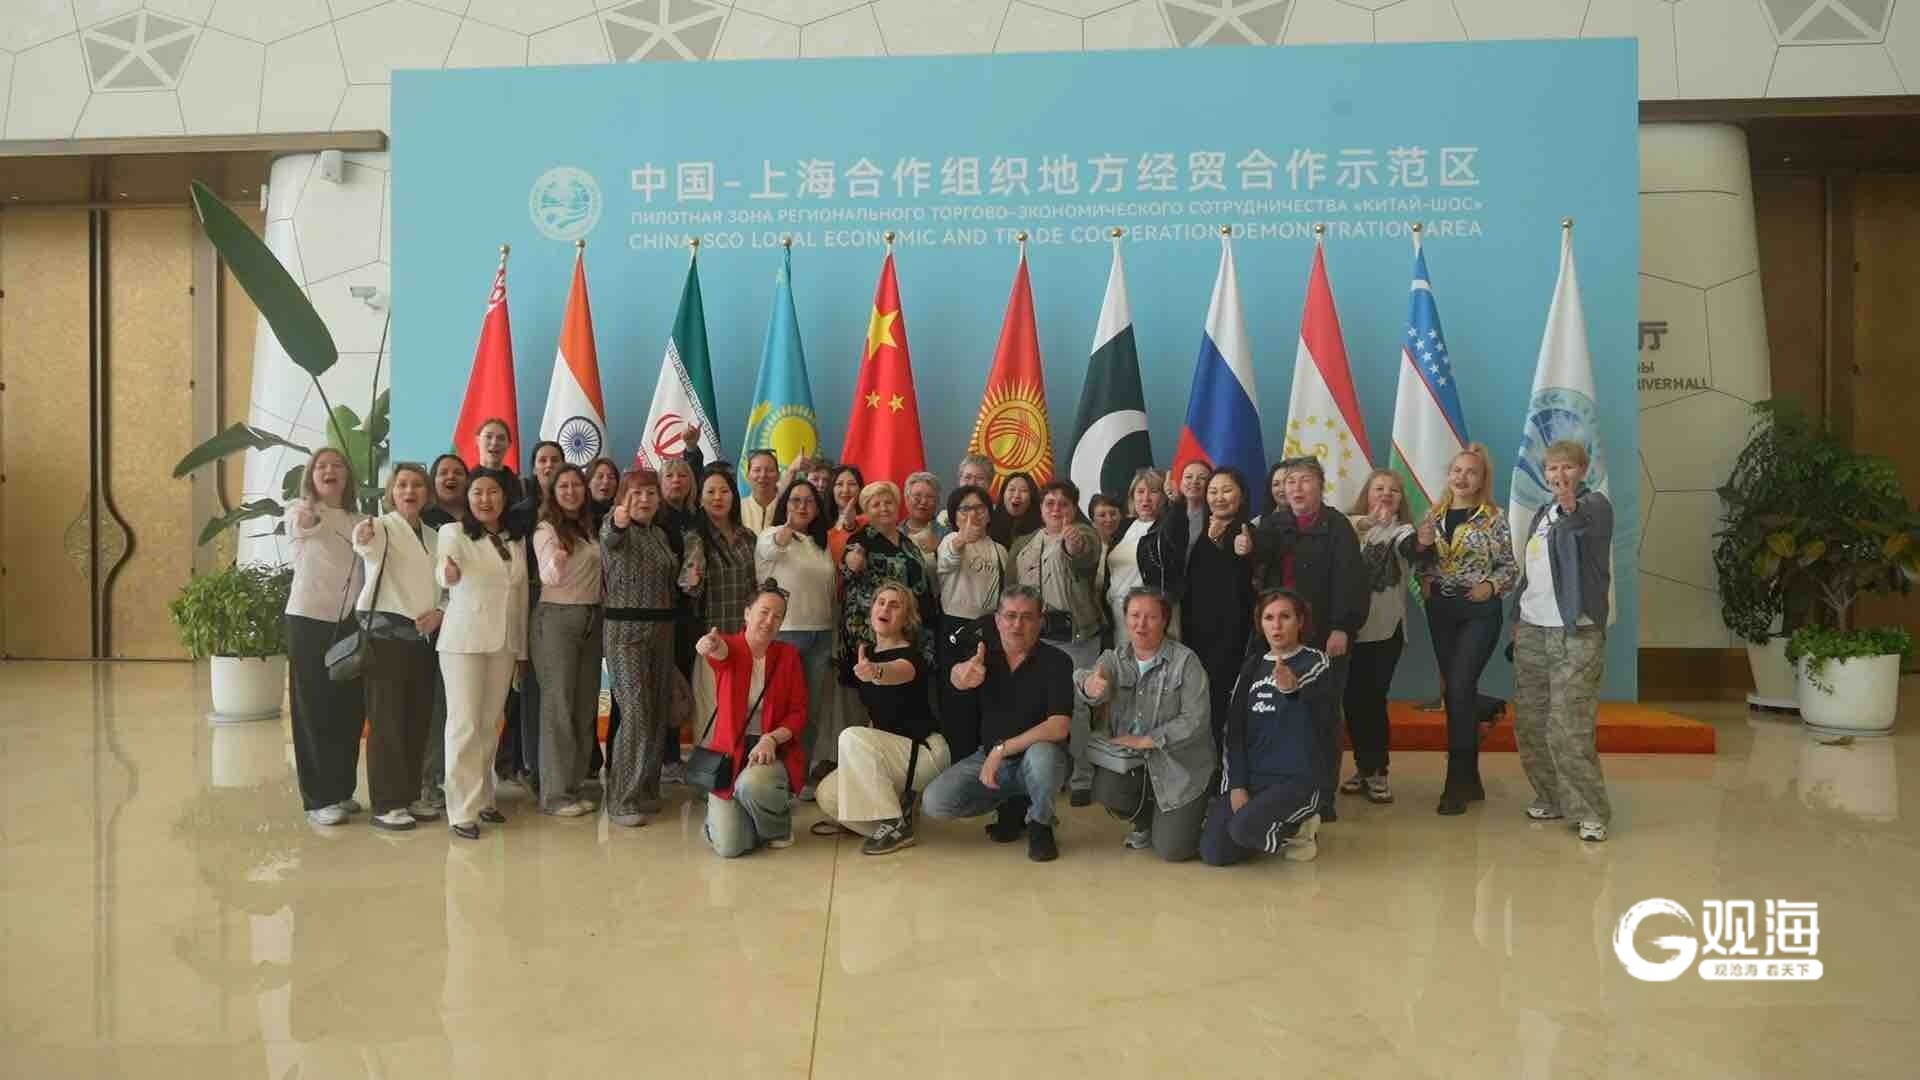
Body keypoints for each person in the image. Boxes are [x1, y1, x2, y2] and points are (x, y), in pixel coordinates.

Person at [1248, 456, 1368, 822]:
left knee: (1321, 715)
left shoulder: (1337, 527)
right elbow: (1257, 567)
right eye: (1290, 482)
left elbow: (1351, 582)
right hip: (1279, 638)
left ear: (1320, 486)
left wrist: (1343, 627)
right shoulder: (1274, 524)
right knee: (1279, 712)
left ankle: (1323, 795)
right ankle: (1282, 788)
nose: (1296, 488)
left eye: (1304, 481)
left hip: (1324, 636)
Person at [921, 586, 1074, 862]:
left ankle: (1041, 824)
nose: (1017, 625)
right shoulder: (983, 655)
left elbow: (1058, 727)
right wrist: (959, 676)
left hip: (1037, 757)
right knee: (935, 802)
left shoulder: (1058, 661)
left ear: (1040, 621)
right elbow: (959, 674)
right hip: (992, 758)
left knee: (1043, 757)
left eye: (1027, 617)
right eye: (1010, 616)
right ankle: (1011, 802)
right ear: (997, 620)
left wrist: (1001, 749)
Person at [1511, 440, 1614, 842]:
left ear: (1582, 471)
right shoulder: (1542, 513)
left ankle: (1590, 811)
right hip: (1533, 627)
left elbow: (1579, 527)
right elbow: (1530, 572)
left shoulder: (1595, 506)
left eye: (1567, 467)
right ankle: (1551, 796)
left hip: (1576, 630)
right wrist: (1517, 618)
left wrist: (1570, 506)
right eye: (1552, 468)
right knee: (1531, 720)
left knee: (1569, 725)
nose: (1559, 475)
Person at [1412, 443, 1519, 816]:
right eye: (1457, 470)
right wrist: (1424, 574)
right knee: (1456, 691)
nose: (1462, 477)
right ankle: (1471, 777)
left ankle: (1455, 783)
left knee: (1458, 688)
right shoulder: (1433, 515)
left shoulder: (1494, 518)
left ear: (1481, 479)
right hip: (1441, 611)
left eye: (1470, 472)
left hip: (1479, 610)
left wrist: (1491, 586)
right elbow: (1421, 559)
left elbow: (1509, 566)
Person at [1074, 587, 1213, 862]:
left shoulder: (1186, 661)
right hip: (1135, 764)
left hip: (1180, 769)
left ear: (1165, 620)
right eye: (1135, 615)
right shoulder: (1114, 658)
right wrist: (1090, 685)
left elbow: (1196, 720)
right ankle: (1146, 821)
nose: (1141, 624)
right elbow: (1089, 679)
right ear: (1125, 618)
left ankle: (1200, 811)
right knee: (1106, 788)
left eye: (1151, 617)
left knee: (1173, 851)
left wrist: (1146, 740)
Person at [816, 583, 950, 854]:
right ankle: (893, 823)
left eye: (895, 605)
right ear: (872, 610)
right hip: (891, 755)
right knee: (827, 794)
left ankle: (893, 823)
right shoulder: (867, 655)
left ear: (906, 618)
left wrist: (876, 672)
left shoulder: (911, 657)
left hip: (924, 754)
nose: (885, 608)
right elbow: (876, 720)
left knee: (851, 736)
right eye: (881, 602)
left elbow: (896, 672)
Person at [1201, 589, 1331, 866]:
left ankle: (1299, 828)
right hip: (1255, 779)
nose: (1277, 625)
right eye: (1269, 618)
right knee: (1214, 852)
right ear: (1260, 624)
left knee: (1242, 829)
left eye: (1285, 617)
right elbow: (1234, 732)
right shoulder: (1252, 666)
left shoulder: (1315, 662)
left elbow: (1310, 699)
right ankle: (1264, 827)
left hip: (1297, 780)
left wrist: (1292, 689)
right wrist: (1237, 785)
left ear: (1300, 621)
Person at [351, 463, 445, 831]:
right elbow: (365, 546)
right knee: (387, 721)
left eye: (417, 485)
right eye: (402, 484)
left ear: (427, 493)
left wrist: (440, 613)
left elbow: (446, 586)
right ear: (391, 492)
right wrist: (361, 536)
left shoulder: (435, 536)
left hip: (423, 638)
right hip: (386, 638)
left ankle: (409, 794)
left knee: (417, 719)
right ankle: (386, 803)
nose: (410, 491)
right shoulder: (381, 527)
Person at [436, 471, 528, 840]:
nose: (485, 499)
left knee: (490, 723)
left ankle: (484, 798)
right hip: (464, 642)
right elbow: (445, 570)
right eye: (478, 492)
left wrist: (521, 649)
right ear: (468, 497)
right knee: (465, 725)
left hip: (504, 642)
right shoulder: (453, 533)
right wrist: (447, 573)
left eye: (493, 492)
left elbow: (519, 596)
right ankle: (460, 810)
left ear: (504, 498)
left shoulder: (513, 539)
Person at [600, 468, 692, 826]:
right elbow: (611, 537)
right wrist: (619, 520)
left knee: (656, 714)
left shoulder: (659, 534)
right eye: (636, 493)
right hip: (626, 633)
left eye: (651, 493)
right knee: (636, 713)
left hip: (663, 631)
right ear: (622, 498)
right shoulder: (615, 526)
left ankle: (646, 791)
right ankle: (621, 799)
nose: (645, 499)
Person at [284, 447, 366, 826]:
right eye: (321, 466)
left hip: (350, 622)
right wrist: (308, 511)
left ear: (347, 476)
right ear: (311, 476)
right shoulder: (300, 512)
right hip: (308, 621)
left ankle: (342, 790)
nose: (329, 470)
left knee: (348, 709)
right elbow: (301, 526)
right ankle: (318, 799)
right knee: (313, 709)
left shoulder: (360, 519)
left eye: (337, 465)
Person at [696, 584, 808, 857]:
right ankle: (732, 822)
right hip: (730, 755)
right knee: (730, 848)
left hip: (773, 751)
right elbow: (720, 653)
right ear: (747, 614)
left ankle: (777, 828)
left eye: (777, 616)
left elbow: (798, 712)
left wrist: (771, 738)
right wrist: (710, 645)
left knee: (752, 784)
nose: (769, 621)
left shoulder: (788, 655)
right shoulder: (731, 646)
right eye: (764, 612)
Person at [1010, 479, 1104, 804]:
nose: (1056, 509)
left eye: (1063, 504)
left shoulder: (1084, 535)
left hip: (1077, 638)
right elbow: (1011, 592)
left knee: (1077, 708)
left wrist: (1072, 545)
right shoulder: (1023, 544)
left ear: (1074, 508)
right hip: (1035, 641)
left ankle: (1082, 778)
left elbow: (1083, 555)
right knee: (1038, 709)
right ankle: (1046, 773)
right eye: (1049, 503)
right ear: (1040, 508)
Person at [1341, 468, 1419, 805]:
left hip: (1386, 630)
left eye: (1393, 490)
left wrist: (1423, 541)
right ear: (1367, 494)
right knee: (1351, 702)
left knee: (1373, 700)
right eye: (1379, 488)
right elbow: (1344, 527)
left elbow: (1413, 547)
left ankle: (1378, 771)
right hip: (1348, 630)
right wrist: (1367, 523)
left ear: (1401, 500)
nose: (1386, 494)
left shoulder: (1403, 531)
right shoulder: (1348, 527)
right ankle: (1363, 766)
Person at [530, 463, 604, 818]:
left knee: (584, 707)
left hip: (592, 619)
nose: (571, 491)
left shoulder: (590, 528)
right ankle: (555, 795)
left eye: (576, 485)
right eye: (563, 486)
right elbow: (548, 572)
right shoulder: (546, 529)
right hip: (557, 620)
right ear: (553, 492)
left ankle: (573, 787)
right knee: (558, 707)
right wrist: (555, 563)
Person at [756, 479, 837, 781]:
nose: (802, 506)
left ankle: (797, 778)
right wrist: (786, 530)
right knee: (779, 710)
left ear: (817, 508)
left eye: (809, 501)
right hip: (786, 635)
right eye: (795, 500)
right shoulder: (771, 535)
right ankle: (770, 777)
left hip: (821, 634)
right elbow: (773, 548)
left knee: (809, 713)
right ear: (784, 504)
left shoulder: (820, 544)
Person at [1179, 467, 1256, 746]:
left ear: (1241, 495)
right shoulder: (1201, 528)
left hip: (1230, 634)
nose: (1219, 497)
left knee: (1222, 699)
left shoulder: (1247, 531)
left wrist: (1233, 546)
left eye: (1226, 490)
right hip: (1195, 630)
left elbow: (1236, 581)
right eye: (1213, 491)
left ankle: (1223, 763)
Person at [934, 485, 1010, 758]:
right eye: (965, 509)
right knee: (957, 700)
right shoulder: (949, 541)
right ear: (954, 515)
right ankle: (957, 762)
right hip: (955, 628)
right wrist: (961, 540)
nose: (973, 514)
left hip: (989, 629)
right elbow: (947, 562)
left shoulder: (1000, 550)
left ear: (989, 514)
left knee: (987, 699)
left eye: (979, 508)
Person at [1104, 469, 1164, 631]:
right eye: (1140, 491)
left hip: (1146, 615)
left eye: (1153, 491)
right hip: (1116, 611)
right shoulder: (1124, 526)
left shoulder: (1166, 530)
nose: (1146, 498)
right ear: (1132, 496)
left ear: (1163, 497)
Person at [937, 453, 995, 529]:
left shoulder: (997, 515)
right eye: (967, 477)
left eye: (980, 478)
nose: (972, 483)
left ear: (990, 483)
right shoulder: (944, 517)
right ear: (959, 480)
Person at [902, 470, 945, 570]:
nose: (923, 501)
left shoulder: (946, 534)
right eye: (917, 496)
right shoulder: (895, 533)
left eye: (930, 497)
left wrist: (938, 550)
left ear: (937, 502)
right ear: (906, 499)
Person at [989, 471, 1042, 550]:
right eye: (1011, 489)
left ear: (1032, 497)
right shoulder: (988, 523)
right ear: (1003, 494)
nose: (1017, 495)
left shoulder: (1041, 530)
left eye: (1023, 490)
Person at [739, 449, 782, 533]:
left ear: (778, 476)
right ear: (747, 476)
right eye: (757, 470)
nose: (763, 475)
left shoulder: (787, 508)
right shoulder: (738, 509)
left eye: (769, 470)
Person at [423, 453, 469, 529]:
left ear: (467, 480)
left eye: (458, 473)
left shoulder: (479, 515)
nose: (451, 476)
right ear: (433, 481)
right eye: (443, 473)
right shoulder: (421, 519)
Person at [585, 457, 621, 527]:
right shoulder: (579, 512)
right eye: (600, 476)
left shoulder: (621, 511)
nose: (606, 481)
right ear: (588, 482)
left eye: (611, 477)